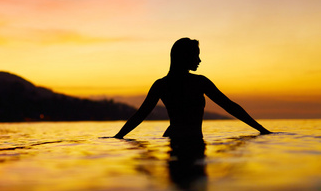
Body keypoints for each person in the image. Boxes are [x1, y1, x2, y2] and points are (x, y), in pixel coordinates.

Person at [114, 38, 271, 158]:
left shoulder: (165, 84)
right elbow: (140, 115)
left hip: (176, 141)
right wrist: (262, 130)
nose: (199, 60)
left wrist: (118, 137)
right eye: (196, 56)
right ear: (184, 57)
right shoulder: (195, 82)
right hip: (184, 142)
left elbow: (230, 106)